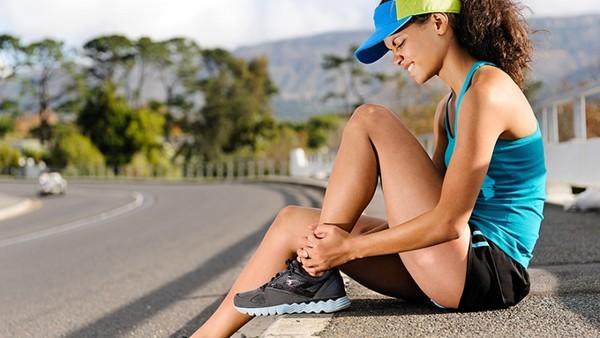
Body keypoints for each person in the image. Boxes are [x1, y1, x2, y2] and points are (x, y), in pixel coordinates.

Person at [190, 0, 546, 336]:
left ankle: (315, 275)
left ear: (438, 22)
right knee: (291, 223)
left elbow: (448, 221)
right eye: (391, 49)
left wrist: (350, 249)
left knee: (370, 118)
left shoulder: (487, 91)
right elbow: (428, 207)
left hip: (486, 270)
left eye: (399, 42)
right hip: (449, 263)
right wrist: (334, 244)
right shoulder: (448, 108)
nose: (396, 57)